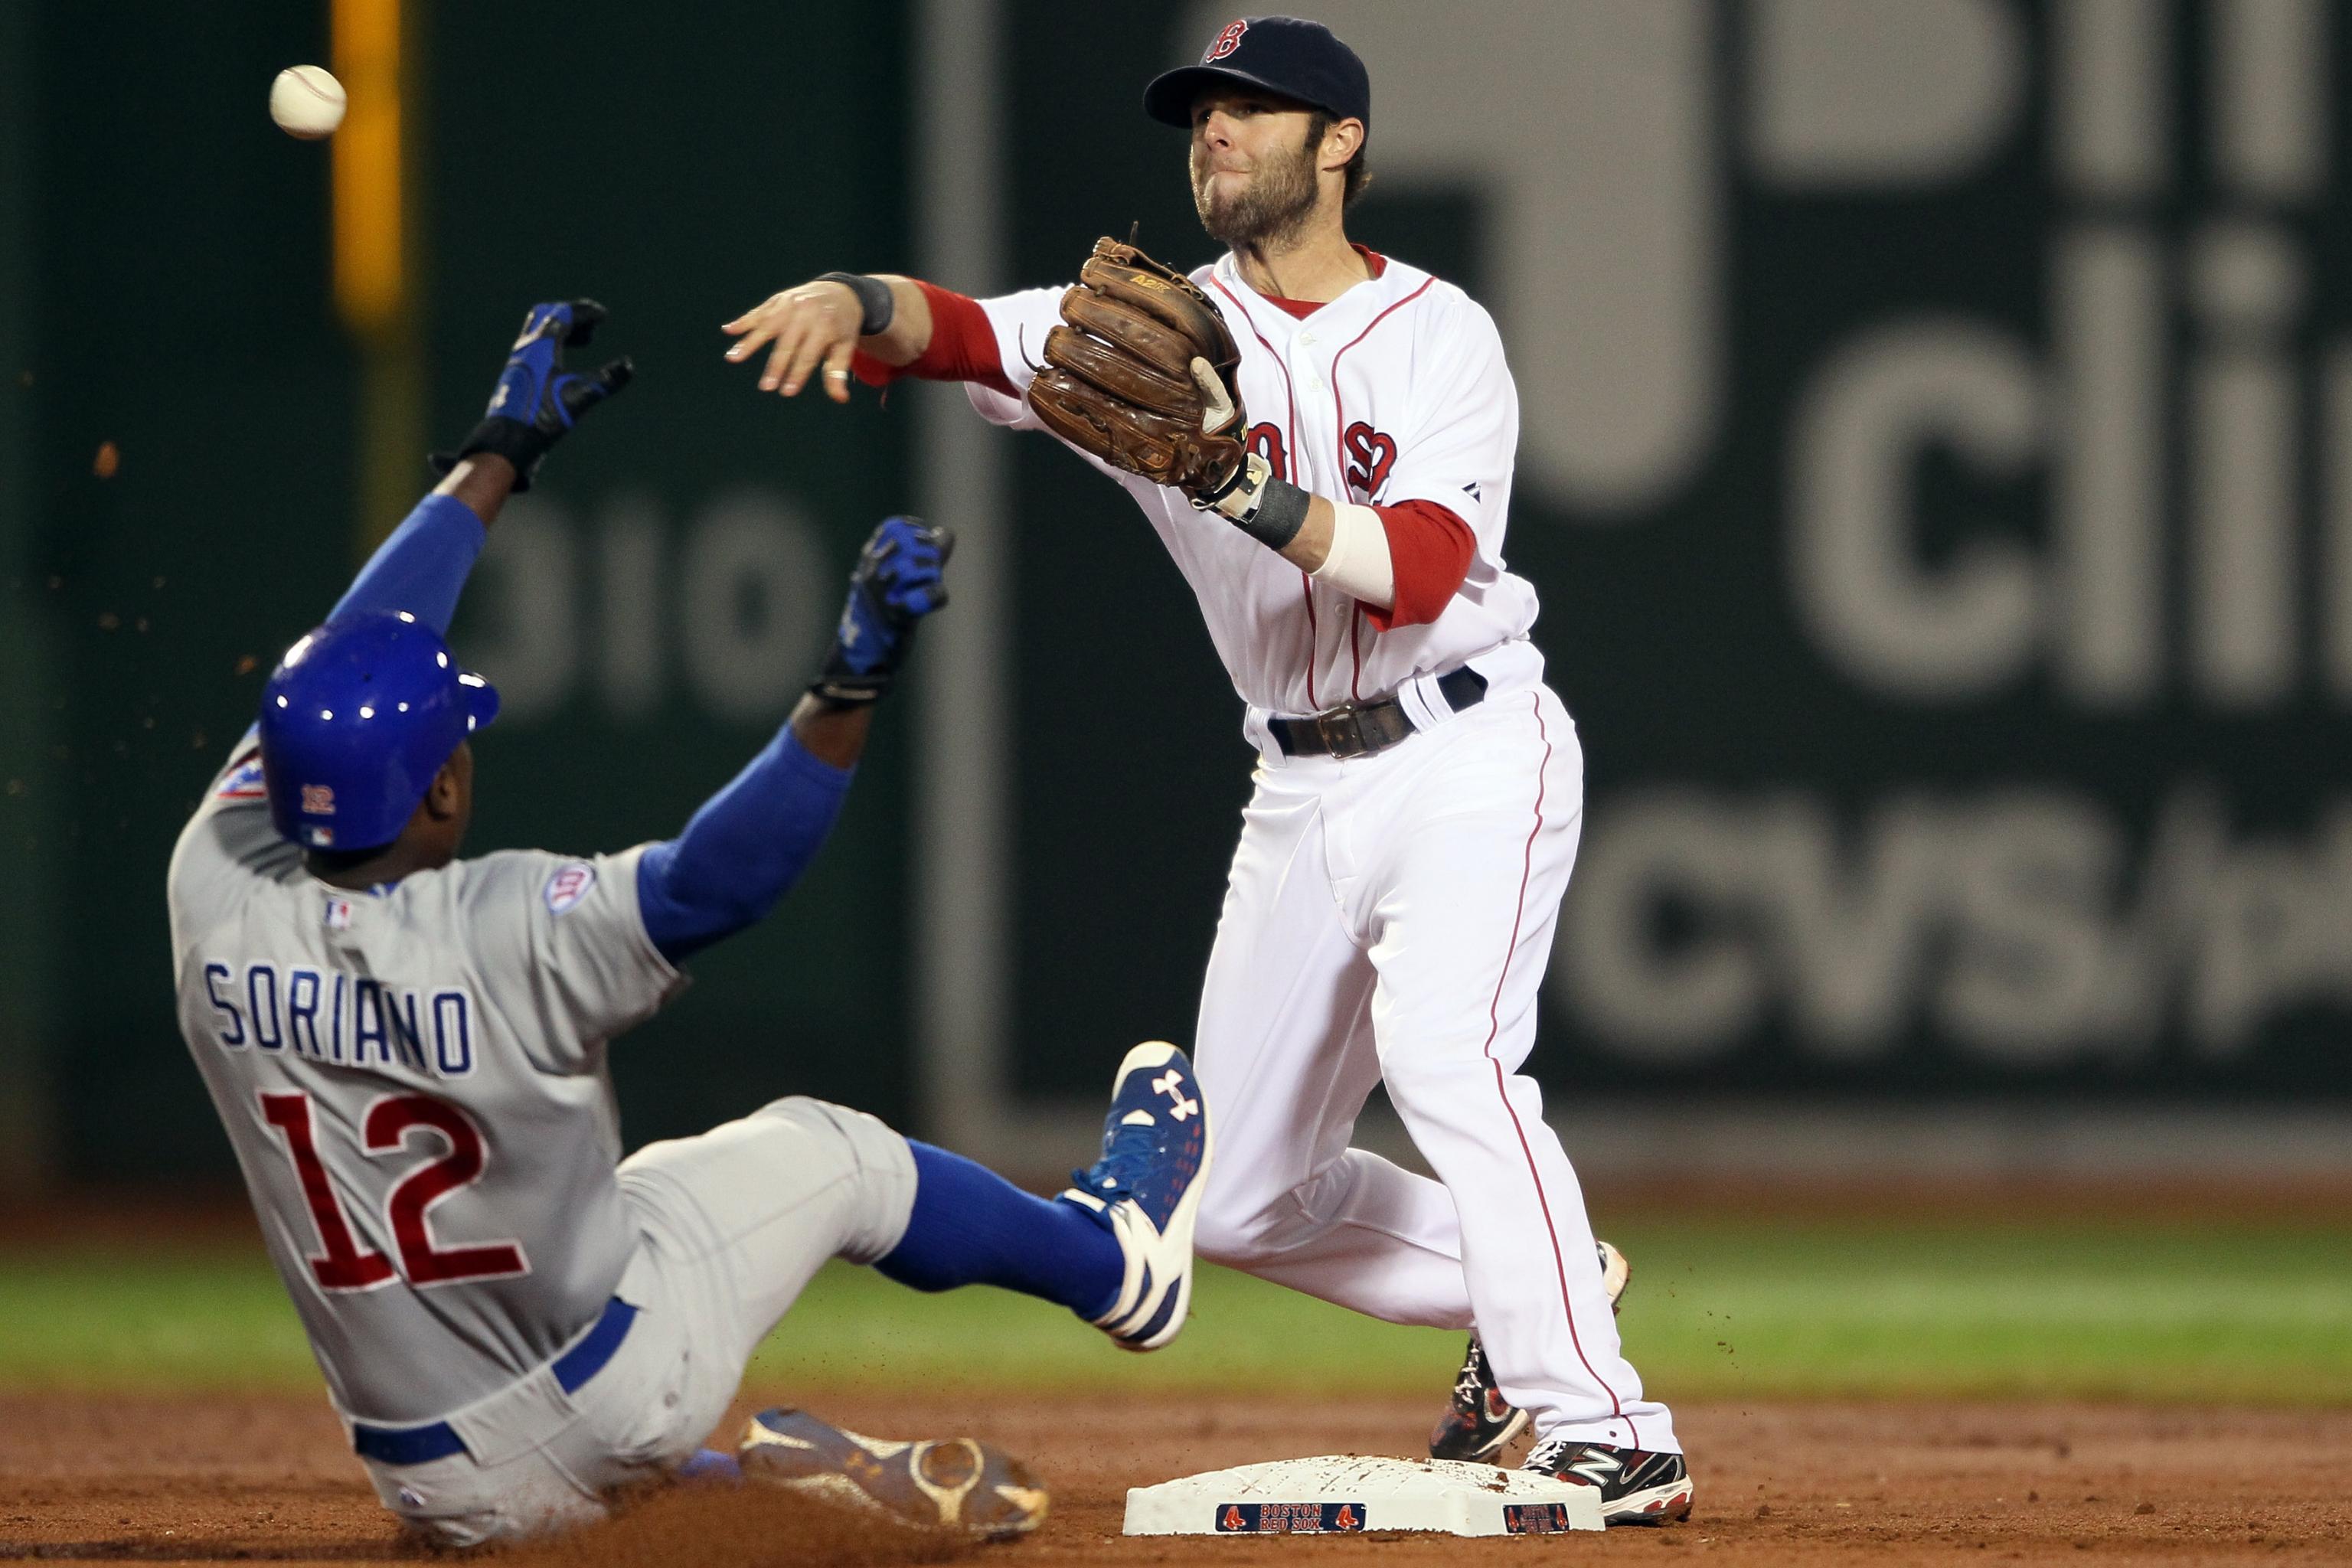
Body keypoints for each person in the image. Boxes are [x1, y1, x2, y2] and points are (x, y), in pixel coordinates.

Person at [719, 15, 1690, 1524]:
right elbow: (956, 328)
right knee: (1235, 1195)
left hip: (1467, 740)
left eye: (1252, 108)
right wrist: (850, 301)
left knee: (1448, 1056)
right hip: (1297, 783)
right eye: (1201, 112)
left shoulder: (1442, 335)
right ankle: (1542, 1283)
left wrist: (1235, 478)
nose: (1214, 130)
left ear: (1341, 143)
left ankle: (1611, 1424)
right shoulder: (1152, 333)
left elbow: (1424, 570)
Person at [168, 302, 1213, 1547]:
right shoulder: (503, 931)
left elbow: (343, 660)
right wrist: (846, 689)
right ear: (442, 785)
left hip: (434, 1483)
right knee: (834, 1153)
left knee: (648, 1196)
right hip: (610, 1390)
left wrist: (493, 452)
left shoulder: (212, 889)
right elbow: (717, 885)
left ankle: (761, 1487)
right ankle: (1116, 1262)